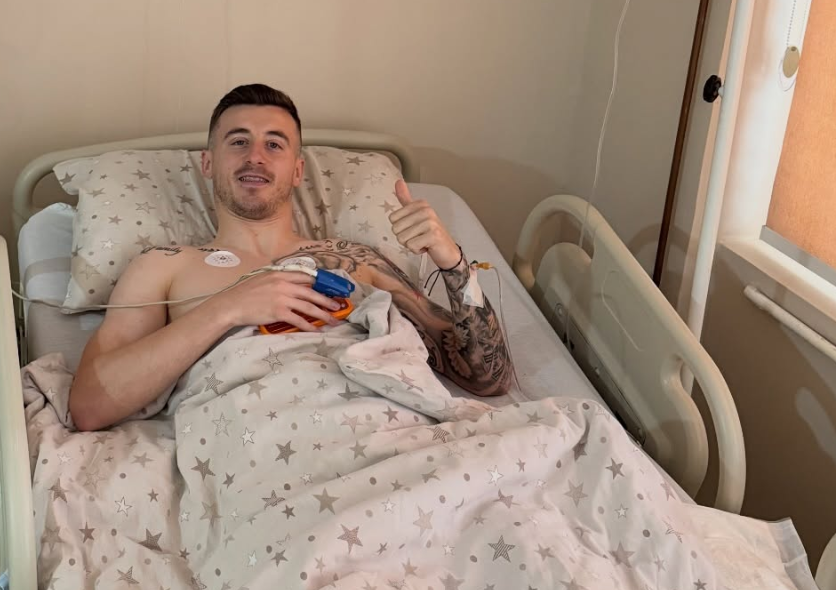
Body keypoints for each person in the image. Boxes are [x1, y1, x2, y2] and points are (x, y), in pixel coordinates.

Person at [69, 84, 512, 431]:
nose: (255, 157)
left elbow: (488, 379)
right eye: (238, 142)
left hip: (389, 430)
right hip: (262, 445)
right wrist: (227, 309)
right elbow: (90, 405)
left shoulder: (355, 260)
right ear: (207, 163)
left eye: (275, 145)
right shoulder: (165, 265)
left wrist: (452, 263)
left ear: (298, 170)